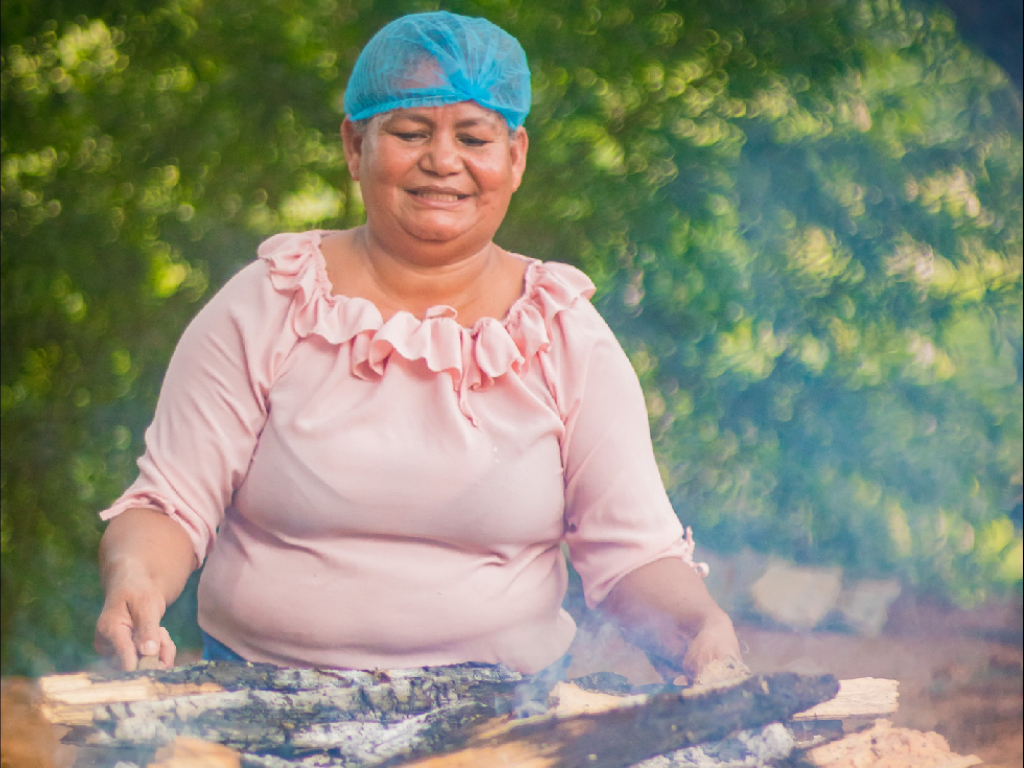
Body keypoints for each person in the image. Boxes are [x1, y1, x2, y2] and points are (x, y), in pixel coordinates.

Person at [95, 10, 742, 679]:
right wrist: (136, 577)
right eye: (410, 132)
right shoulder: (270, 303)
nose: (442, 161)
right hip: (261, 700)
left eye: (474, 137)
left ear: (514, 158)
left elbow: (634, 553)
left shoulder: (562, 333)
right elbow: (170, 504)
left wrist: (701, 628)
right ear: (354, 146)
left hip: (502, 716)